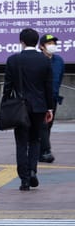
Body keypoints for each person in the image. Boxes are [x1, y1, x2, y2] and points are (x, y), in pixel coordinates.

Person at [3, 28, 53, 191]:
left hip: (20, 106)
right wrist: (50, 107)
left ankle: (24, 179)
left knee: (21, 142)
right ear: (37, 42)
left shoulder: (13, 60)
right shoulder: (45, 60)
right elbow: (48, 86)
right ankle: (32, 171)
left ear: (21, 42)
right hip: (39, 106)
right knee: (35, 140)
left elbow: (8, 86)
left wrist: (5, 103)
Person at [38, 34, 65, 163]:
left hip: (53, 98)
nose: (52, 46)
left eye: (54, 43)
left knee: (48, 126)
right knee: (42, 125)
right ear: (41, 46)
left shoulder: (59, 60)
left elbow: (59, 79)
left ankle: (40, 150)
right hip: (39, 98)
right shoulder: (37, 60)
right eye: (49, 43)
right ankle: (46, 151)